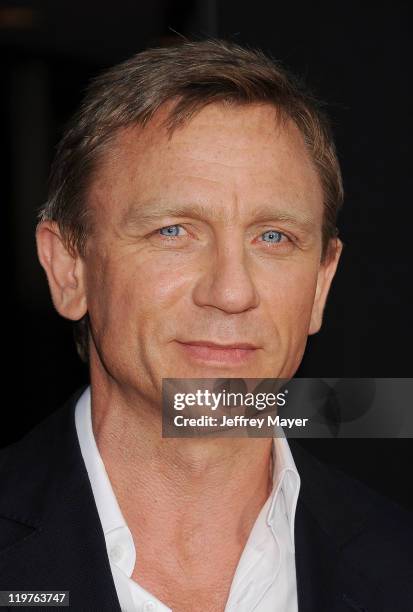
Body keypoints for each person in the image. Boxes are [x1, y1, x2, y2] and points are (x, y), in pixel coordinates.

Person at [0, 39, 412, 612]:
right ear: (71, 269)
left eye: (273, 237)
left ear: (321, 283)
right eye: (174, 231)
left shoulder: (398, 565)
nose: (231, 292)